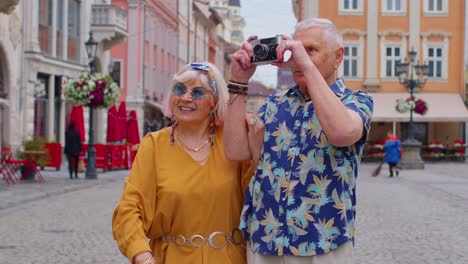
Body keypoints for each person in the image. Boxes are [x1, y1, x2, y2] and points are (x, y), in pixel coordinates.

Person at [224, 18, 374, 263]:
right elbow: (235, 150)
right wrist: (239, 82)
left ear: (338, 57)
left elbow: (341, 132)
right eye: (296, 48)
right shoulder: (275, 103)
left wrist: (305, 63)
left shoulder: (356, 101)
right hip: (265, 241)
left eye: (310, 49)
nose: (297, 57)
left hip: (322, 244)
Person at [112, 62, 254, 264]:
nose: (186, 97)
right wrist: (141, 255)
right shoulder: (154, 145)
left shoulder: (232, 143)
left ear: (213, 102)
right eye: (180, 89)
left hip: (228, 258)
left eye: (197, 92)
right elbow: (129, 209)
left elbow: (258, 195)